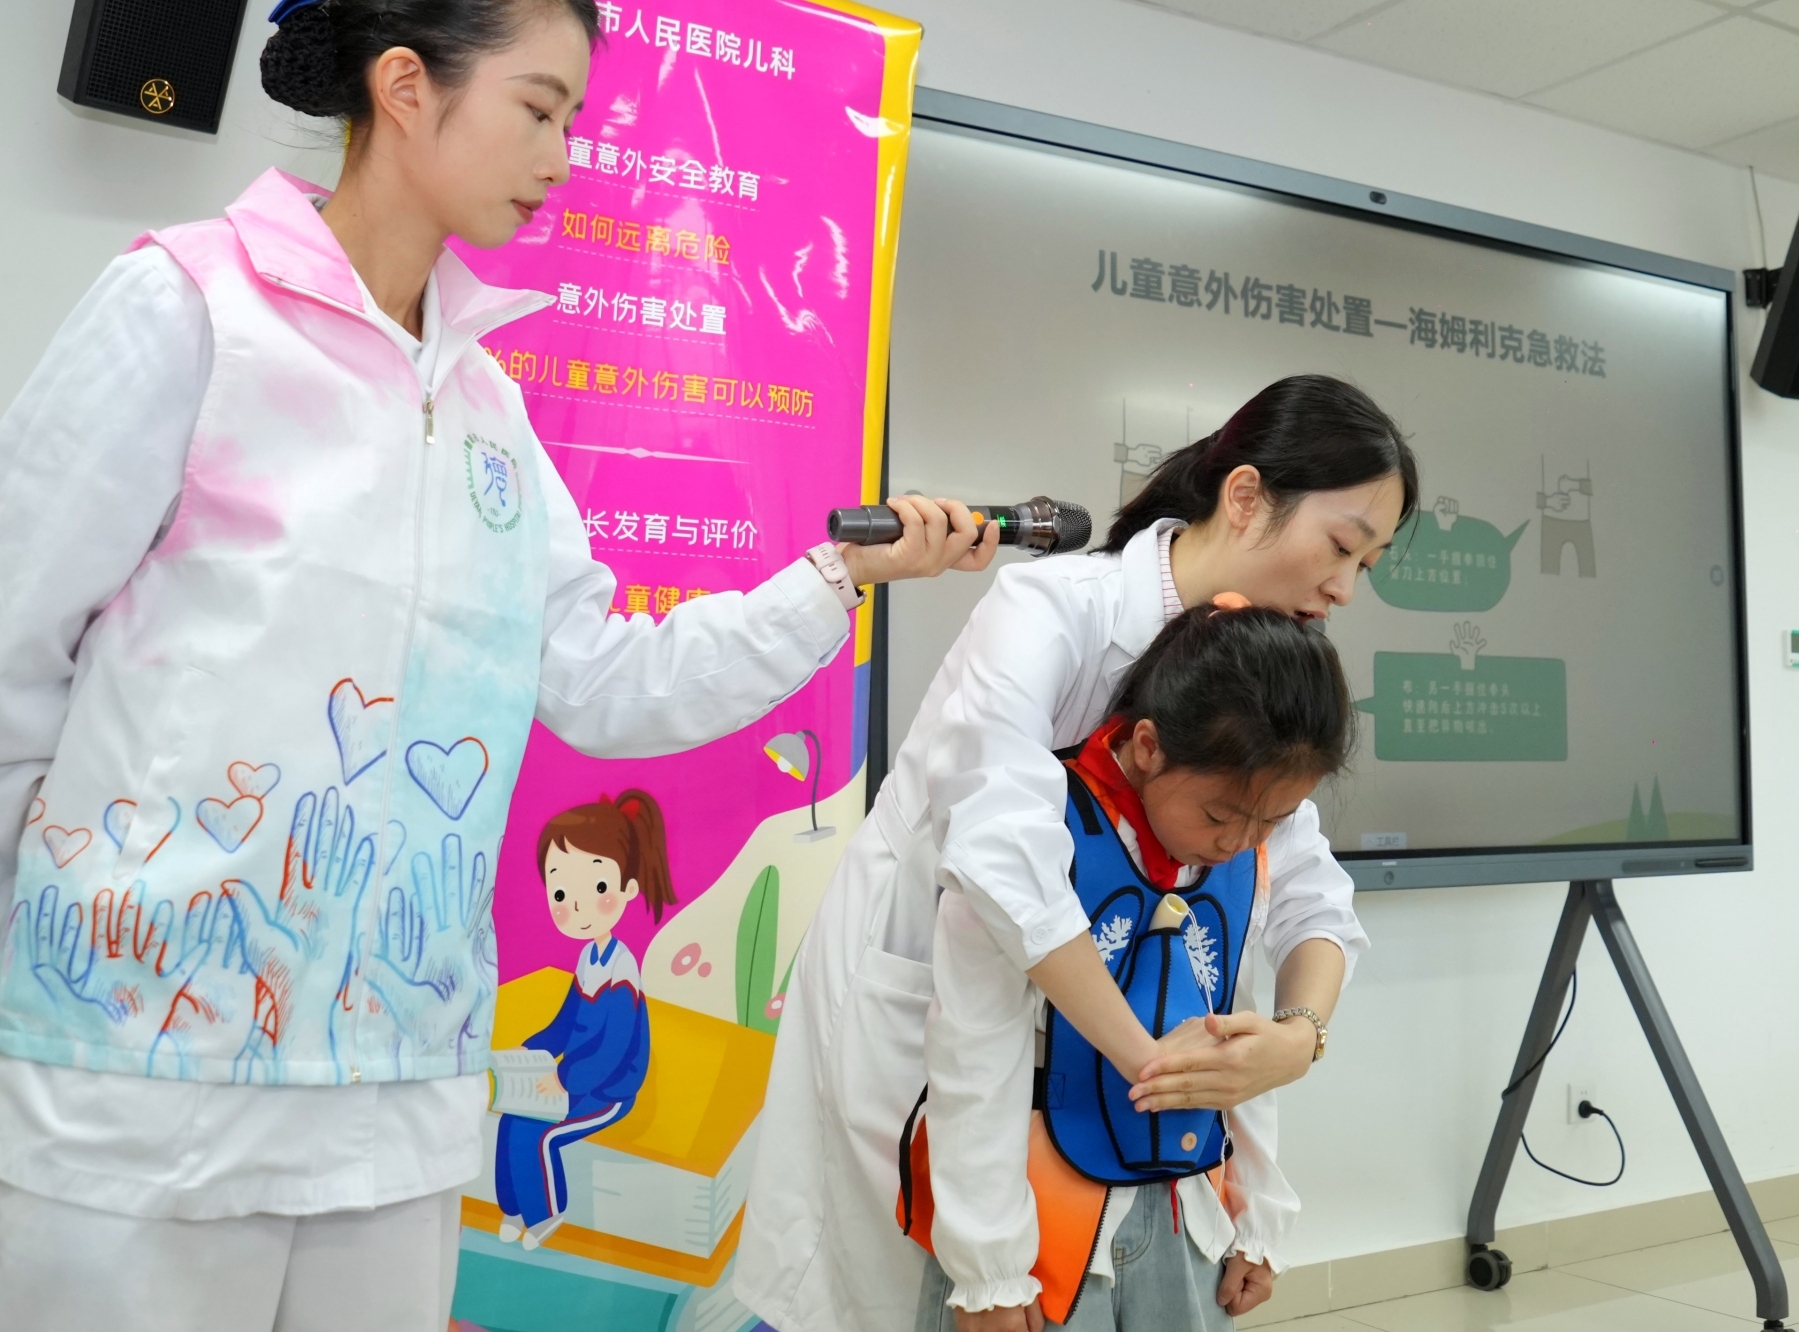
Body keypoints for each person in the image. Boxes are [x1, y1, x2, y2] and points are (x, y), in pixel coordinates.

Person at [0, 2, 996, 1329]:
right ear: (405, 86)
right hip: (140, 1082)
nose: (562, 155)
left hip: (394, 1106)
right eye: (538, 109)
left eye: (572, 119)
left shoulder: (487, 410)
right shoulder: (190, 308)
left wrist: (836, 580)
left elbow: (601, 678)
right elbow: (14, 651)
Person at [739, 374, 1418, 1332]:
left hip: (1104, 1085)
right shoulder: (1050, 611)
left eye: (1369, 566)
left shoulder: (1257, 669)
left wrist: (1297, 1039)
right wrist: (1162, 1071)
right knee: (918, 1292)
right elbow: (1004, 871)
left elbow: (1307, 892)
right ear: (1245, 498)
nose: (1345, 589)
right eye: (1343, 547)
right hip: (940, 1013)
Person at [902, 599, 1359, 1331]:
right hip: (1036, 1226)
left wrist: (1259, 1216)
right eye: (1219, 817)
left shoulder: (1250, 836)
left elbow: (1231, 1031)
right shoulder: (1030, 830)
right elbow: (973, 1055)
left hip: (1189, 1214)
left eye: (1271, 823)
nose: (1238, 843)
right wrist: (990, 1270)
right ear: (1148, 747)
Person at [491, 789, 671, 1250]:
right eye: (560, 892)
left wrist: (565, 1079)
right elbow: (565, 1024)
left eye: (597, 889)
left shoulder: (622, 970)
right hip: (576, 1078)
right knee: (511, 1119)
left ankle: (545, 1214)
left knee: (539, 1133)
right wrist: (532, 1049)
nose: (575, 906)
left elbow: (613, 1050)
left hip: (610, 1089)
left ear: (627, 890)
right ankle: (513, 1208)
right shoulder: (589, 958)